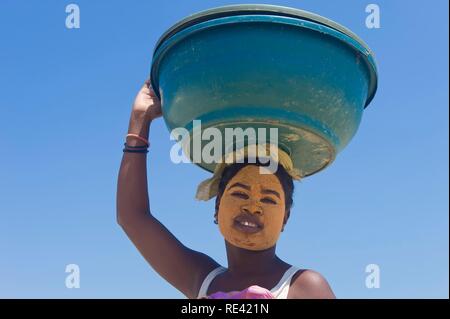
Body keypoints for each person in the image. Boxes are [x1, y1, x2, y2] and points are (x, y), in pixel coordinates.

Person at [116, 80, 336, 299]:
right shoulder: (202, 279)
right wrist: (140, 119)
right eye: (240, 193)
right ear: (217, 206)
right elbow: (132, 217)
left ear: (285, 218)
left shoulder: (305, 287)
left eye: (269, 199)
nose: (253, 207)